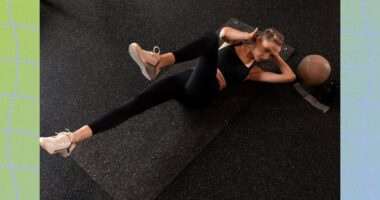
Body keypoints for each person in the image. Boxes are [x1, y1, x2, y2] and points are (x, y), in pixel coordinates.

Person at [40, 27, 296, 157]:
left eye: (269, 54)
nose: (265, 56)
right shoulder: (239, 40)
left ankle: (158, 61)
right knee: (136, 103)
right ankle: (71, 139)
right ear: (256, 39)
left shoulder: (253, 71)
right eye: (265, 49)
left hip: (202, 94)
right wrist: (248, 34)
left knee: (209, 40)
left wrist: (276, 54)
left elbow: (289, 76)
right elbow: (226, 33)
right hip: (187, 80)